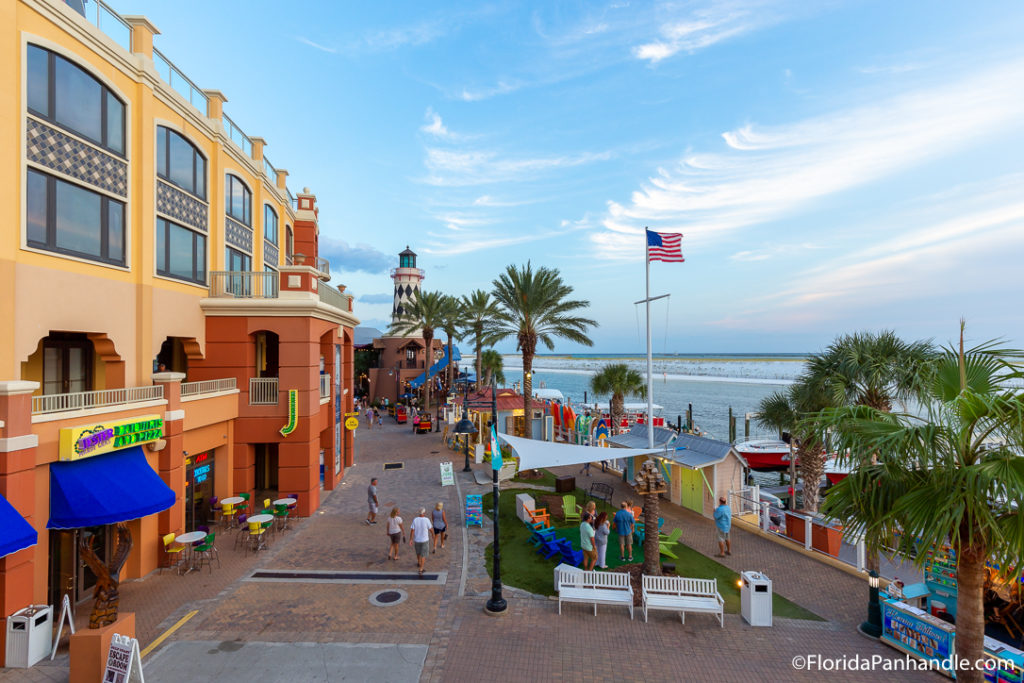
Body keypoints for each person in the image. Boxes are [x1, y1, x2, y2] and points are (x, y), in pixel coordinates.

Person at [409, 508, 434, 575]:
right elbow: (430, 529)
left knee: (418, 552)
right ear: (424, 513)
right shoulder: (426, 520)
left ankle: (419, 562)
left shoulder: (415, 519)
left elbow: (412, 530)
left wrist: (411, 539)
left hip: (417, 539)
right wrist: (432, 535)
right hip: (424, 540)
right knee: (423, 554)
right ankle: (421, 568)